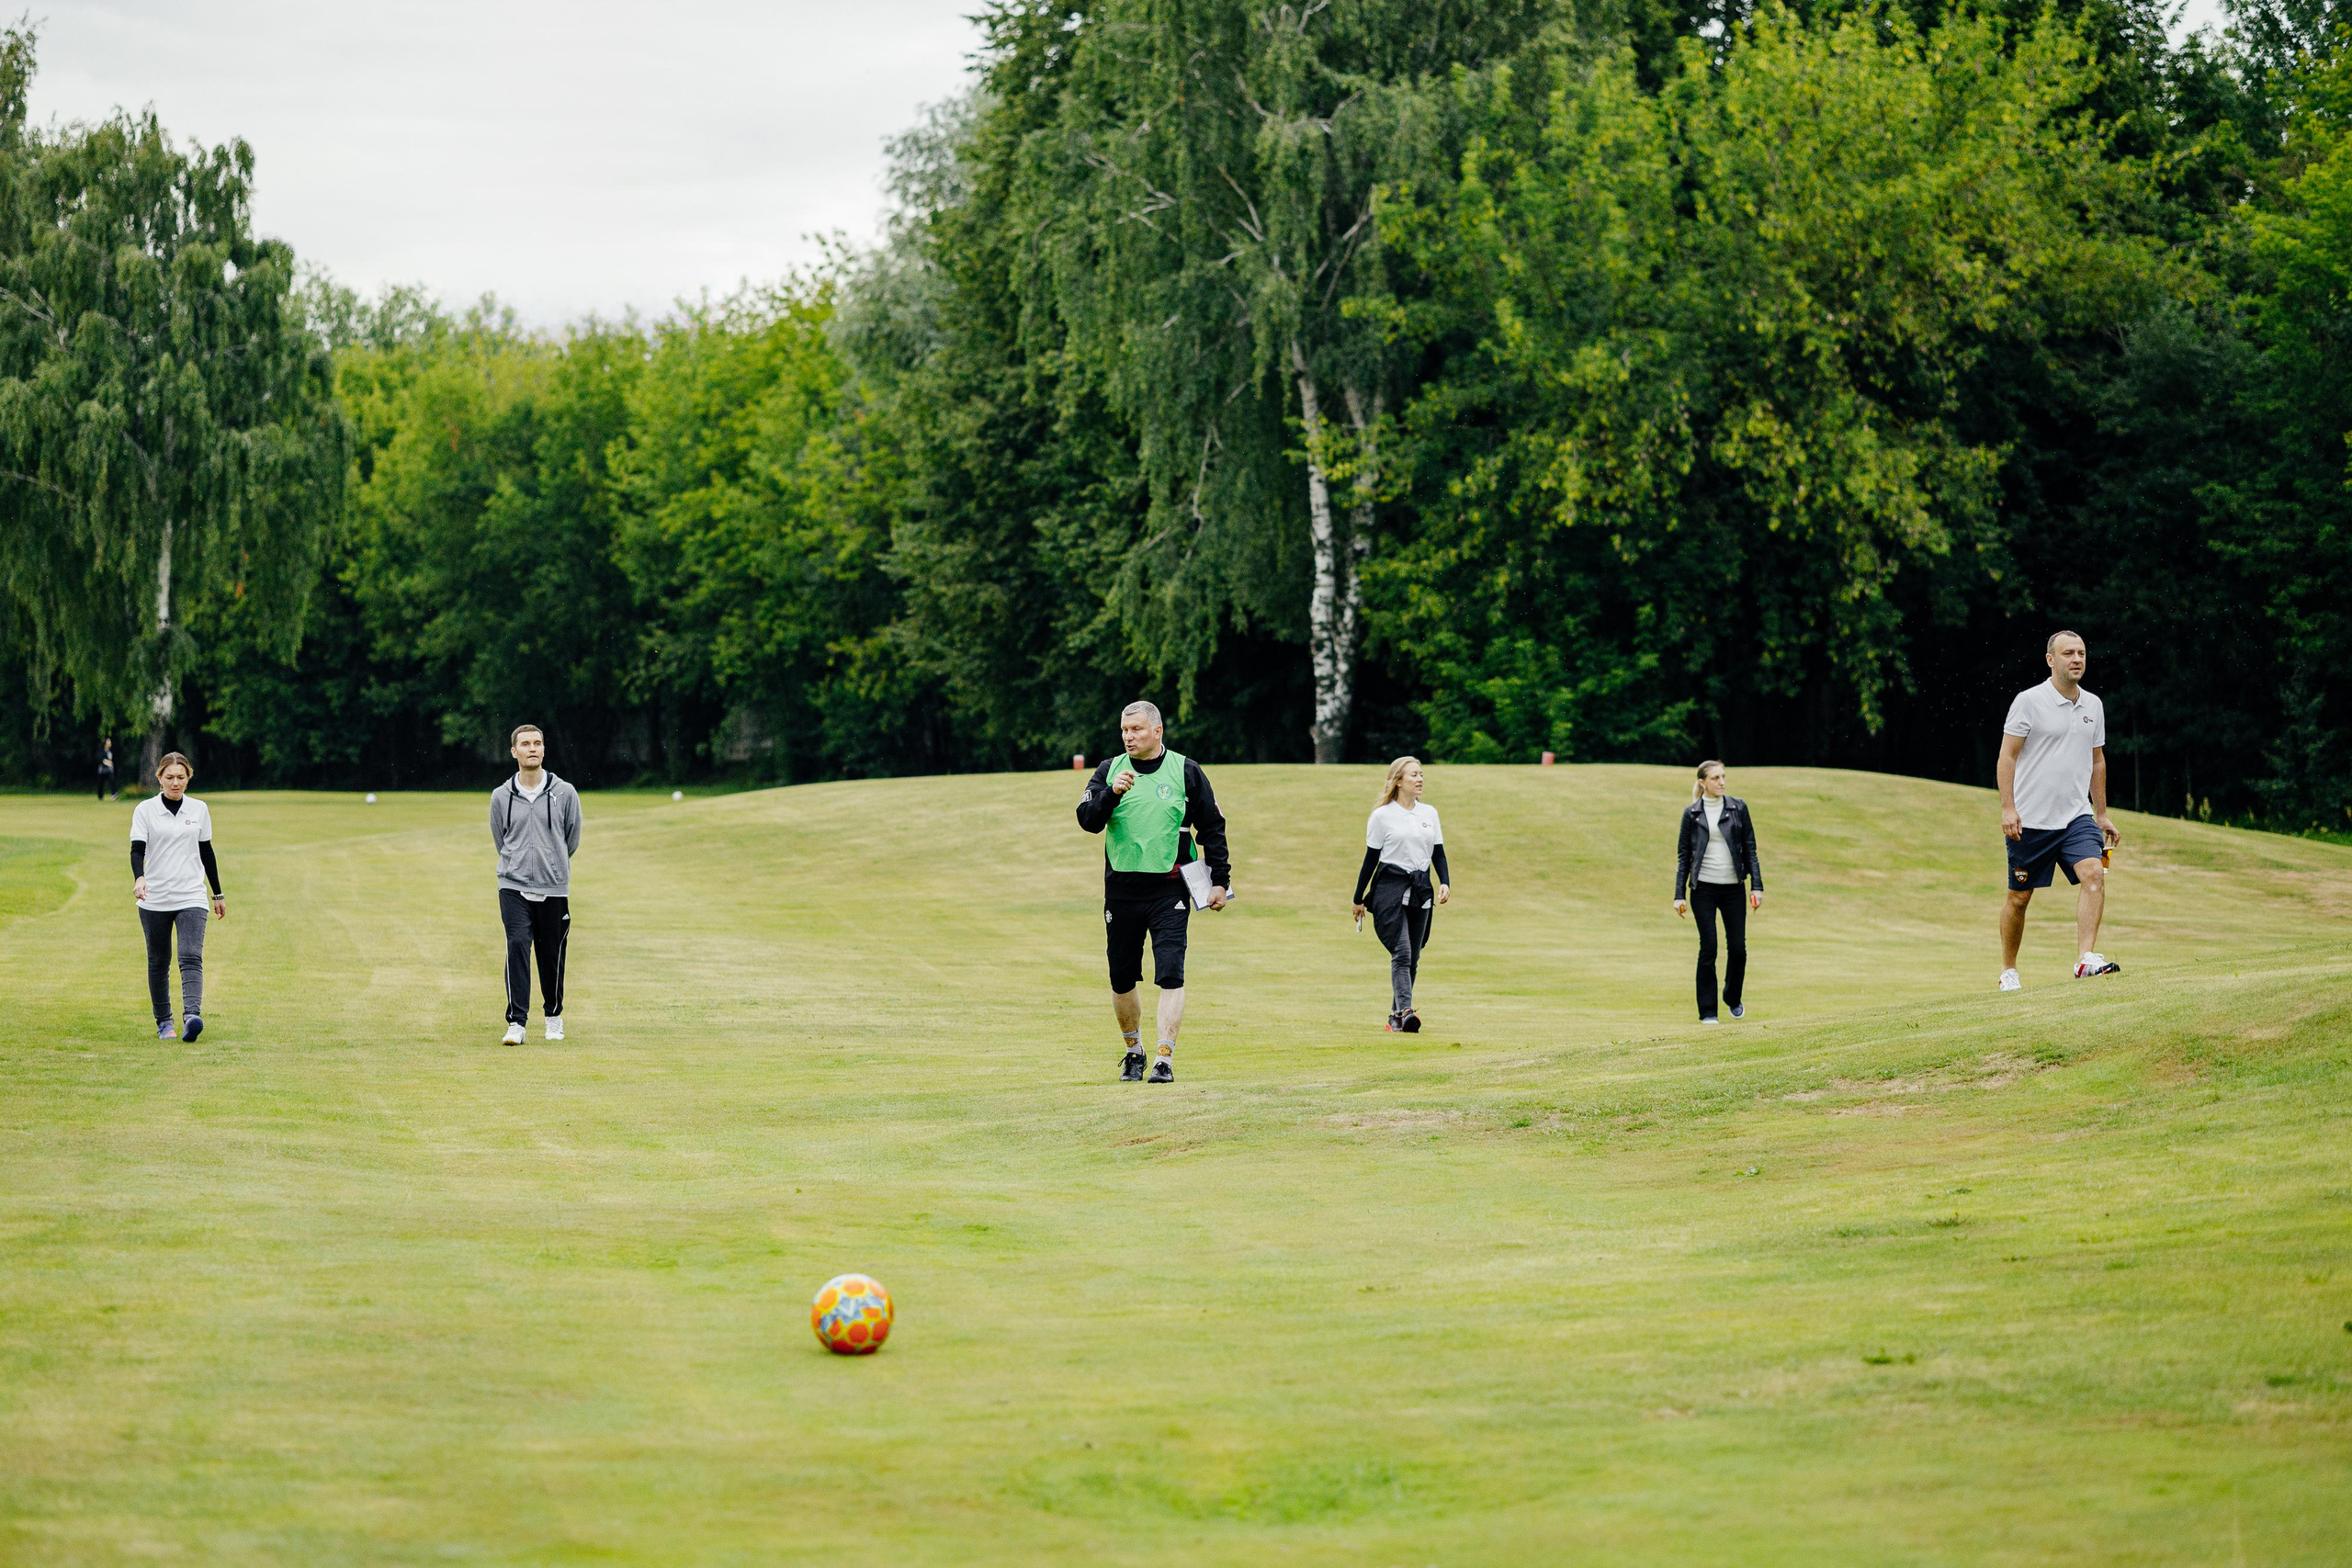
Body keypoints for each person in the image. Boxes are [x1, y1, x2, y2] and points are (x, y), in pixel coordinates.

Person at [1074, 701, 1231, 1082]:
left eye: (1137, 730)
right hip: (1122, 891)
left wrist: (1220, 881)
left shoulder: (1186, 770)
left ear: (1157, 731)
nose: (1129, 737)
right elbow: (1087, 820)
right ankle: (1134, 1051)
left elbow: (1212, 827)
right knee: (1121, 977)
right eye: (1125, 731)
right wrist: (1112, 793)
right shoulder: (1110, 770)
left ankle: (1164, 1058)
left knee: (1171, 974)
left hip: (1169, 890)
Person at [1998, 630, 2122, 989]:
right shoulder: (2029, 701)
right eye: (2068, 653)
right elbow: (2007, 756)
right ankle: (2009, 970)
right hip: (2031, 820)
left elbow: (2097, 762)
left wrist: (2099, 814)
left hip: (2075, 816)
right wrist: (2008, 807)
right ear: (2051, 659)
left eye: (2081, 653)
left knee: (2094, 875)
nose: (2077, 659)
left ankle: (2085, 959)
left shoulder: (2093, 705)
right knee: (2019, 899)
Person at [491, 724, 582, 1046]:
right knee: (517, 944)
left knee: (551, 953)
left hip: (554, 886)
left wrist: (552, 862)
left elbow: (571, 838)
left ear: (544, 750)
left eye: (538, 743)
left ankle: (553, 1017)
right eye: (525, 744)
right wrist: (518, 865)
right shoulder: (501, 796)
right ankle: (517, 1022)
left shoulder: (565, 793)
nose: (532, 748)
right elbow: (500, 838)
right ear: (514, 752)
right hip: (513, 885)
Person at [129, 751, 225, 1041]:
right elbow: (137, 849)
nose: (175, 783)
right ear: (159, 778)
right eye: (169, 777)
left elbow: (206, 852)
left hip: (191, 896)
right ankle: (164, 1023)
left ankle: (191, 1017)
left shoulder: (199, 809)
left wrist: (217, 893)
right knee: (158, 961)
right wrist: (140, 877)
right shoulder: (145, 810)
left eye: (181, 777)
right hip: (155, 898)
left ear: (188, 778)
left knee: (190, 955)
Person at [1351, 756, 1450, 1032]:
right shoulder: (1382, 816)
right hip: (1389, 890)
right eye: (1413, 775)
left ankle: (1396, 1016)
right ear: (1398, 781)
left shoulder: (1430, 813)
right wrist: (1358, 898)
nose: (1419, 780)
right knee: (1402, 952)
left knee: (1413, 957)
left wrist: (1444, 882)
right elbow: (1370, 860)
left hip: (1421, 890)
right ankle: (1407, 1011)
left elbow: (1438, 853)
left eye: (1421, 775)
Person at [1672, 761, 1764, 1023]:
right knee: (1708, 947)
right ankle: (1708, 1012)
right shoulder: (1691, 814)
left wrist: (1757, 887)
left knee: (1738, 949)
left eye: (1723, 777)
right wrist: (1679, 894)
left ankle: (1732, 997)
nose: (1722, 782)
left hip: (1734, 888)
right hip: (1703, 889)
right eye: (1715, 778)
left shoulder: (1738, 807)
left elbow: (1750, 849)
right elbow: (1684, 857)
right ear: (1702, 782)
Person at [96, 737, 117, 802]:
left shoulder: (110, 752)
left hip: (109, 770)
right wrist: (108, 763)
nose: (110, 743)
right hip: (102, 770)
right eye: (108, 741)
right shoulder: (101, 751)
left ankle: (114, 794)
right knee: (101, 784)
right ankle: (100, 796)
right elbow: (101, 760)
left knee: (112, 780)